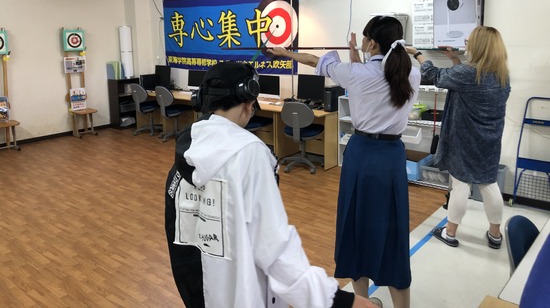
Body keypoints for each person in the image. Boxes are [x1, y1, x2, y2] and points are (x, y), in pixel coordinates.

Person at [164, 61, 376, 308]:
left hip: (199, 294)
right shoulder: (249, 154)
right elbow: (274, 250)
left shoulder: (186, 150)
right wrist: (338, 301)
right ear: (248, 101)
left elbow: (178, 236)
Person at [269, 15, 421, 308]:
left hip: (362, 155)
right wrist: (359, 55)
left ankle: (362, 302)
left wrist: (285, 52)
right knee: (393, 232)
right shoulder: (411, 73)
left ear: (371, 43)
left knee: (356, 225)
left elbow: (314, 61)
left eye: (365, 38)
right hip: (391, 157)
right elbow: (378, 73)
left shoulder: (355, 73)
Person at [406, 25, 511, 249]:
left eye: (468, 42)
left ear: (479, 46)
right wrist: (455, 60)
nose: (465, 45)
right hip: (489, 140)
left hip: (464, 139)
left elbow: (435, 76)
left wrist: (417, 53)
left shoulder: (469, 73)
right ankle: (495, 234)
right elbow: (467, 86)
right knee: (488, 182)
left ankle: (450, 232)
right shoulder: (501, 75)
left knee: (460, 185)